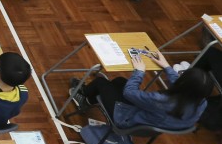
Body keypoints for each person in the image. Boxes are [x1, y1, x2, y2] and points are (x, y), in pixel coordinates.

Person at [80, 51, 211, 131]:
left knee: (101, 82)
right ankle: (88, 99)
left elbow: (129, 93)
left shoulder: (161, 100)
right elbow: (182, 86)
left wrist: (139, 72)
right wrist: (166, 66)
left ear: (183, 82)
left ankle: (82, 97)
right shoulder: (201, 102)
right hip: (153, 123)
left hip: (126, 119)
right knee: (119, 81)